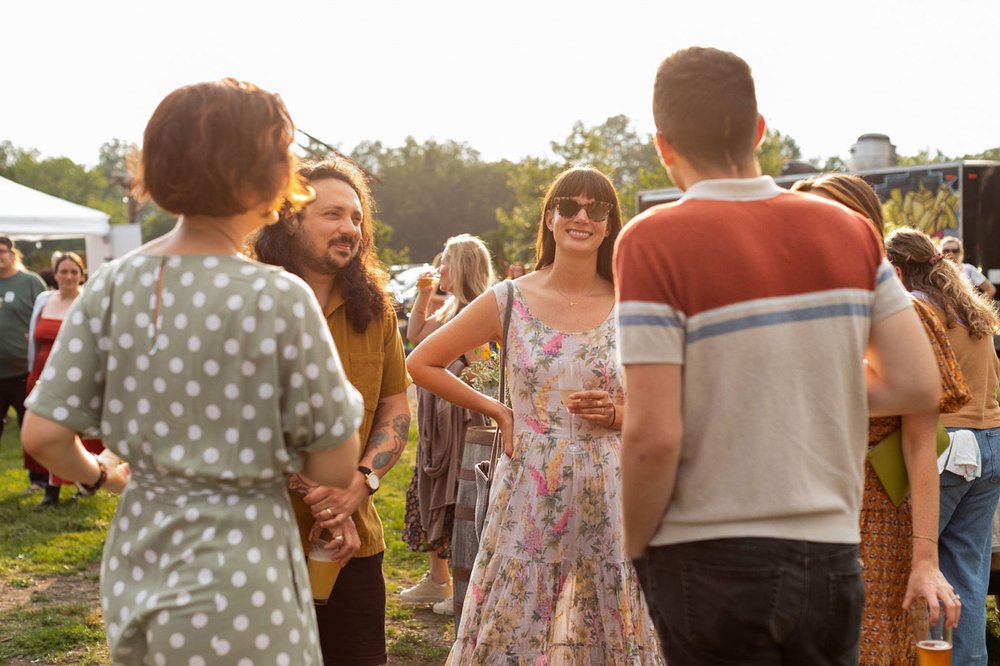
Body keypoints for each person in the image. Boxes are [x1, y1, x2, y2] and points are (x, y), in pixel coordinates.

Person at [615, 47, 942, 665]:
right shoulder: (848, 231)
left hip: (708, 552)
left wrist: (636, 545)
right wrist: (807, 381)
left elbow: (653, 435)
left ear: (664, 146)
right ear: (759, 128)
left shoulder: (652, 240)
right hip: (832, 556)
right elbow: (917, 383)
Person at [21, 78, 364, 664]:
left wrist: (105, 478)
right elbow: (333, 460)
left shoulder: (108, 285)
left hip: (139, 555)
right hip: (245, 571)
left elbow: (44, 437)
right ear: (261, 176)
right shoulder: (278, 297)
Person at [408, 166, 665, 664]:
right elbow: (420, 362)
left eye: (597, 209)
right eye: (570, 206)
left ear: (611, 224)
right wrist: (496, 409)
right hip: (528, 481)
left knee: (607, 613)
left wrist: (616, 411)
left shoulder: (632, 301)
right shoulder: (510, 299)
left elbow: (669, 400)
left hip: (609, 483)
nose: (582, 217)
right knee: (518, 614)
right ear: (550, 218)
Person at [793, 173, 965, 663]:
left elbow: (920, 444)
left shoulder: (902, 315)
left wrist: (926, 559)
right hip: (794, 515)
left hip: (876, 526)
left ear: (865, 227)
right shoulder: (786, 311)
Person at [251, 155, 412, 666]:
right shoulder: (250, 302)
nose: (350, 228)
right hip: (258, 544)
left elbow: (394, 405)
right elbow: (240, 420)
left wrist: (360, 483)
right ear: (290, 217)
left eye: (357, 218)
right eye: (334, 215)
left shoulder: (377, 308)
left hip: (352, 544)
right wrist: (322, 498)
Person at [886, 227, 1000, 666]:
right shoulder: (970, 305)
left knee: (919, 572)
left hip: (946, 447)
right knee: (967, 576)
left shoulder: (918, 309)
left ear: (897, 270)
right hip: (990, 444)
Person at [399, 234, 495, 615]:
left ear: (463, 268)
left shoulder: (476, 311)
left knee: (454, 497)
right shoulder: (450, 309)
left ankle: (453, 584)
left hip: (459, 425)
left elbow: (483, 374)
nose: (440, 269)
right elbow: (416, 337)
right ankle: (438, 580)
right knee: (429, 489)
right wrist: (424, 295)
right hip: (436, 426)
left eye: (447, 263)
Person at [25, 252, 106, 508]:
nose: (69, 276)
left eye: (74, 272)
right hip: (42, 372)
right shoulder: (43, 300)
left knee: (71, 433)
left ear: (82, 275)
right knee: (45, 432)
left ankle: (84, 481)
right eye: (64, 271)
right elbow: (33, 338)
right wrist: (32, 372)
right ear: (55, 274)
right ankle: (51, 490)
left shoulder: (89, 302)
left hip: (77, 375)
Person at [0, 235, 46, 482]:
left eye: (2, 251)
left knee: (30, 429)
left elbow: (47, 311)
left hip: (23, 371)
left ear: (12, 253)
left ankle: (39, 481)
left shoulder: (29, 282)